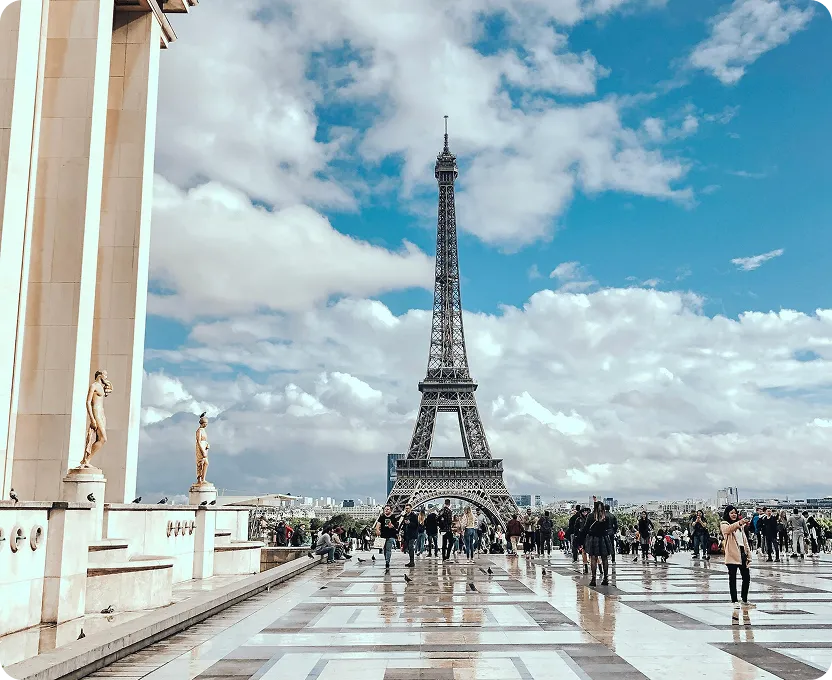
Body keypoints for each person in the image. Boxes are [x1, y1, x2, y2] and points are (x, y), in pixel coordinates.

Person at [720, 505, 753, 610]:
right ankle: (734, 600)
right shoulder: (724, 524)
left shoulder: (740, 527)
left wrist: (748, 554)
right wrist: (739, 523)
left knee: (746, 577)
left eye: (735, 513)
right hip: (732, 554)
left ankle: (744, 599)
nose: (734, 515)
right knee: (732, 578)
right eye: (731, 513)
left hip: (742, 553)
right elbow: (727, 530)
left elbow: (744, 540)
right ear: (727, 514)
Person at [582, 501, 612, 586]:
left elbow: (586, 527)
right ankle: (606, 578)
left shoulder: (591, 516)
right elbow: (609, 527)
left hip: (593, 537)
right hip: (604, 537)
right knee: (604, 558)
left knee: (593, 558)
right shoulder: (606, 516)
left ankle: (593, 579)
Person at [374, 505, 401, 572]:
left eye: (388, 509)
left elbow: (396, 526)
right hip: (383, 536)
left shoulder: (393, 517)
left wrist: (392, 526)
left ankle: (387, 562)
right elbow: (378, 525)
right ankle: (387, 559)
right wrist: (377, 530)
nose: (386, 510)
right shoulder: (382, 517)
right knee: (385, 549)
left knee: (388, 549)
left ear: (390, 510)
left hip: (391, 535)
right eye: (385, 509)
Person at [401, 503, 419, 567]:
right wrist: (402, 531)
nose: (407, 509)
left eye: (408, 508)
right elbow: (403, 525)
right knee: (408, 548)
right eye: (406, 508)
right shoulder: (405, 515)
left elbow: (416, 525)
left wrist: (409, 523)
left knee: (411, 547)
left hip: (412, 534)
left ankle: (412, 562)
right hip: (407, 534)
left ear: (411, 508)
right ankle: (411, 561)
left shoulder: (414, 516)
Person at [573, 506, 590, 573]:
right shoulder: (579, 519)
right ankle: (585, 564)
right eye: (583, 511)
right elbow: (576, 529)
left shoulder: (589, 519)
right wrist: (576, 536)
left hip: (589, 536)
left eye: (585, 511)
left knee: (591, 552)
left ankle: (592, 564)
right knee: (584, 551)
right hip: (582, 537)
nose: (584, 512)